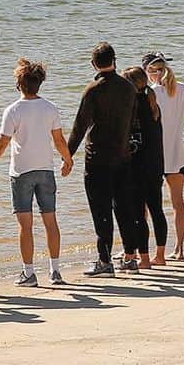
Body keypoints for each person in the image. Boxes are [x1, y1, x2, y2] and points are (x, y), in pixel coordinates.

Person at [0, 58, 73, 287]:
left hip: (21, 173)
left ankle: (29, 273)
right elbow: (59, 140)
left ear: (19, 84)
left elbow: (1, 144)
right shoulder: (50, 107)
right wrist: (68, 159)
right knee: (51, 220)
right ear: (40, 83)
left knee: (25, 225)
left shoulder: (13, 110)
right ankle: (55, 271)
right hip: (45, 170)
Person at [68, 41, 139, 276]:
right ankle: (130, 257)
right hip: (123, 156)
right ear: (114, 60)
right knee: (124, 207)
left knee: (101, 210)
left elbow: (80, 126)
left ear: (93, 64)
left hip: (98, 158)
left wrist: (67, 155)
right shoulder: (128, 87)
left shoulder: (93, 89)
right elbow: (133, 121)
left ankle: (105, 260)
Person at [143, 51, 184, 259]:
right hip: (177, 155)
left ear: (148, 71)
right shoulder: (182, 89)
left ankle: (141, 250)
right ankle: (179, 250)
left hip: (152, 157)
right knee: (178, 203)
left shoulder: (149, 93)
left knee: (145, 206)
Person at [122, 65, 166, 268]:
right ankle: (161, 255)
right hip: (155, 164)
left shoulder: (131, 106)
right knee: (157, 209)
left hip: (137, 166)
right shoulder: (153, 104)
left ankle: (145, 258)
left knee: (139, 214)